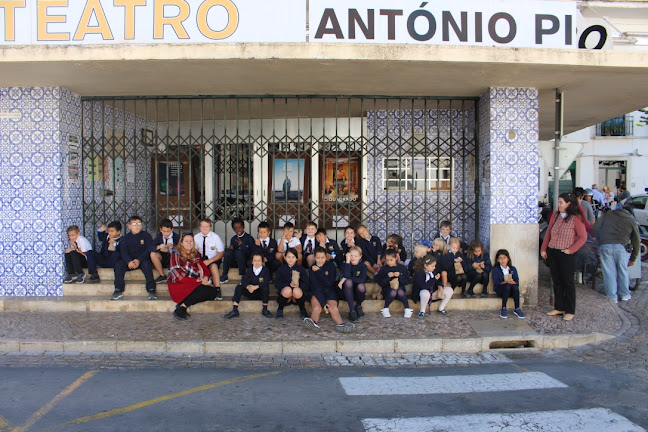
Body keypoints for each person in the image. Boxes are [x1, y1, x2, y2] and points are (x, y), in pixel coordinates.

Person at [541, 192, 587, 321]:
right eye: (558, 202)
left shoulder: (576, 218)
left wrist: (571, 250)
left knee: (567, 282)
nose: (559, 204)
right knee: (557, 281)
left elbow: (582, 237)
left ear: (569, 203)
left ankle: (570, 309)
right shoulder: (556, 215)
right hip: (553, 251)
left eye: (561, 202)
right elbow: (549, 231)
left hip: (566, 253)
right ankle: (559, 307)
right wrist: (544, 248)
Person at [593, 205, 640, 303]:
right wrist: (633, 258)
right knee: (622, 271)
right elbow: (636, 241)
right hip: (622, 247)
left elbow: (595, 228)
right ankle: (625, 295)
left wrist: (600, 239)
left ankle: (612, 297)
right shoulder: (631, 220)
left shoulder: (608, 214)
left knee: (609, 272)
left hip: (605, 246)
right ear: (630, 213)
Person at [168, 234, 219, 320]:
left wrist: (206, 277)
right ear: (181, 243)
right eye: (186, 241)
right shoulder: (176, 254)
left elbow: (205, 269)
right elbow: (179, 276)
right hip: (179, 284)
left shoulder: (196, 254)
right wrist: (199, 281)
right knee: (202, 290)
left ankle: (182, 305)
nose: (189, 243)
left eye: (191, 241)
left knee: (213, 292)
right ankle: (182, 308)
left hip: (194, 283)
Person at [304, 247, 355, 332]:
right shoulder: (312, 269)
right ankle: (313, 323)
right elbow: (315, 287)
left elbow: (329, 283)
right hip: (317, 292)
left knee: (333, 308)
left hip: (330, 290)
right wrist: (323, 303)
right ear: (314, 258)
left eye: (322, 258)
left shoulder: (331, 266)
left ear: (326, 257)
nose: (320, 260)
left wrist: (320, 271)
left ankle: (340, 325)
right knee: (317, 307)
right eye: (318, 258)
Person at [112, 216, 156, 300]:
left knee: (147, 265)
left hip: (142, 260)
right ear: (129, 226)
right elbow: (123, 252)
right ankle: (118, 290)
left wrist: (139, 260)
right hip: (130, 262)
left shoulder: (146, 235)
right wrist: (129, 261)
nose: (137, 226)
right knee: (119, 265)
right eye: (134, 224)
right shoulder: (126, 238)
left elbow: (148, 249)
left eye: (139, 224)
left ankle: (151, 289)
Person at [224, 252, 273, 319]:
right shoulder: (250, 270)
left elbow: (266, 281)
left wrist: (256, 287)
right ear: (252, 262)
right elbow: (243, 280)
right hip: (250, 292)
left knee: (265, 288)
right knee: (239, 287)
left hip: (260, 293)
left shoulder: (265, 270)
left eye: (259, 261)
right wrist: (248, 287)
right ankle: (235, 310)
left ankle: (265, 309)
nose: (257, 263)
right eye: (255, 261)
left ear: (262, 261)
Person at [375, 249, 412, 318]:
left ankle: (407, 308)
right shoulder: (384, 269)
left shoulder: (402, 268)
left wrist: (400, 276)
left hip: (400, 288)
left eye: (391, 260)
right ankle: (385, 308)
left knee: (400, 291)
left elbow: (406, 281)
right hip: (387, 290)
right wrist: (388, 277)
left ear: (396, 258)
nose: (389, 262)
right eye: (387, 260)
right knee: (393, 292)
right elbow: (380, 282)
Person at [194, 219, 224, 300]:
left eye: (207, 226)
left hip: (213, 259)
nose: (204, 228)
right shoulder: (196, 237)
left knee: (213, 266)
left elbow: (221, 253)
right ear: (199, 227)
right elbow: (194, 251)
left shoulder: (215, 237)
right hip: (201, 259)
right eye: (202, 226)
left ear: (210, 227)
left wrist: (210, 261)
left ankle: (217, 289)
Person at [274, 248, 308, 319]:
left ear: (296, 258)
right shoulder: (281, 269)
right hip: (285, 294)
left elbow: (305, 282)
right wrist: (288, 285)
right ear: (285, 258)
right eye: (288, 257)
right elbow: (277, 283)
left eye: (293, 257)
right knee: (287, 290)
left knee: (296, 290)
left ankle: (302, 309)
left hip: (297, 295)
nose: (291, 259)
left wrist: (299, 285)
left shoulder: (301, 269)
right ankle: (280, 309)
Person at [492, 249, 525, 319]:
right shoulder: (496, 269)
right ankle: (503, 307)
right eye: (500, 258)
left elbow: (517, 280)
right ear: (497, 260)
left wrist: (513, 282)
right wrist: (506, 282)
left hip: (512, 290)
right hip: (501, 290)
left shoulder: (513, 269)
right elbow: (496, 282)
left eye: (504, 258)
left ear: (508, 259)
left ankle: (517, 308)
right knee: (507, 285)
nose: (502, 260)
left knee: (515, 286)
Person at [220, 218, 255, 283]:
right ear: (233, 229)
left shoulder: (249, 238)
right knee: (228, 252)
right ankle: (224, 275)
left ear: (243, 227)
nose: (238, 230)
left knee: (239, 252)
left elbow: (252, 253)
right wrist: (230, 249)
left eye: (239, 227)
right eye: (235, 228)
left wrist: (242, 245)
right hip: (236, 262)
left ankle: (243, 275)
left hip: (245, 262)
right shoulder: (233, 239)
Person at [338, 246, 368, 322]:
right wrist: (347, 261)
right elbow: (347, 275)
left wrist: (345, 278)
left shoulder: (363, 266)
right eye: (351, 255)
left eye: (356, 256)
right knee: (348, 282)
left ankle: (358, 305)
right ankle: (352, 311)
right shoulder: (345, 265)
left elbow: (361, 280)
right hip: (347, 291)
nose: (353, 258)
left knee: (361, 287)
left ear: (360, 257)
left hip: (358, 291)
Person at [150, 218, 179, 284]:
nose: (166, 233)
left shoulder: (176, 237)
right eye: (164, 231)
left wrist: (173, 247)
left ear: (172, 229)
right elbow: (150, 247)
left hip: (173, 259)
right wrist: (159, 247)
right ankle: (162, 275)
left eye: (168, 231)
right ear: (160, 230)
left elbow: (182, 249)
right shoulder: (159, 237)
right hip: (162, 258)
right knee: (152, 254)